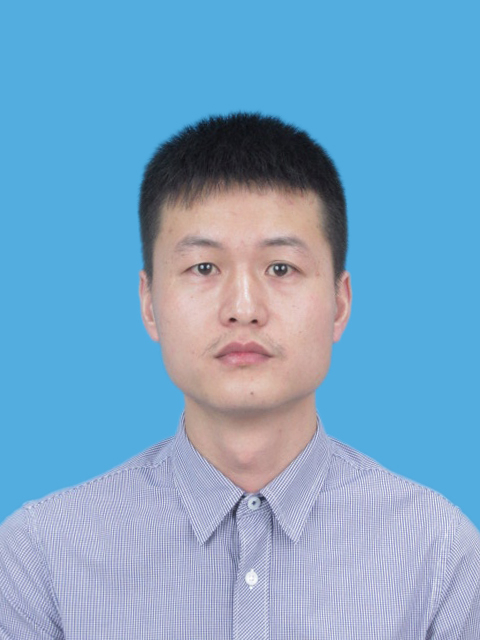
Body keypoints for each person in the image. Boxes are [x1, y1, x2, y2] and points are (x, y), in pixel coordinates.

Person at [0, 113, 479, 639]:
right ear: (149, 304)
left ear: (340, 305)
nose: (244, 309)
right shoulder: (42, 558)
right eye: (204, 268)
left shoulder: (439, 555)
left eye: (281, 268)